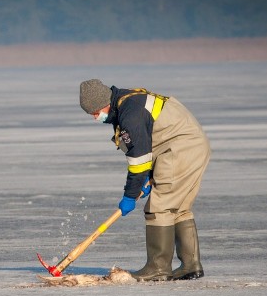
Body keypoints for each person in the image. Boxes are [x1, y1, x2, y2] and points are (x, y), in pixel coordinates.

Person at [79, 79, 211, 281]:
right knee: (179, 208)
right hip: (191, 147)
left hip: (179, 150)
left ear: (103, 102)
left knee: (159, 209)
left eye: (96, 112)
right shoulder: (128, 101)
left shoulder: (130, 113)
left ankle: (158, 268)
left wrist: (130, 195)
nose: (95, 117)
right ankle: (190, 265)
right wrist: (149, 178)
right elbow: (150, 143)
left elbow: (139, 159)